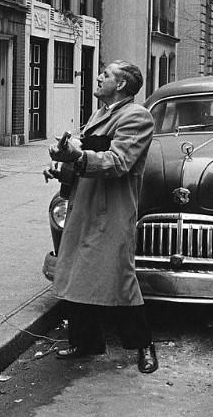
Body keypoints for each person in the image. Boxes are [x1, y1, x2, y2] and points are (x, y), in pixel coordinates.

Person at [46, 61, 158, 374]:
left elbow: (118, 161)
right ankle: (87, 342)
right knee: (77, 273)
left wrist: (78, 156)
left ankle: (143, 345)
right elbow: (81, 155)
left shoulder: (136, 117)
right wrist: (61, 165)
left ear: (121, 85)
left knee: (120, 277)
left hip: (113, 208)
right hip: (85, 205)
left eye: (106, 74)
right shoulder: (99, 114)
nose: (98, 76)